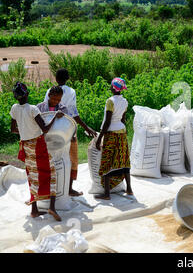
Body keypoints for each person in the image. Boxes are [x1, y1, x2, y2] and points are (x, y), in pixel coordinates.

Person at [10, 82, 63, 221]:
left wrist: (24, 131)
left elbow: (13, 129)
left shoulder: (14, 108)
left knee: (32, 175)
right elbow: (45, 129)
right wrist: (55, 116)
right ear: (27, 94)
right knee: (51, 173)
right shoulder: (33, 109)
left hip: (26, 145)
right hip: (38, 144)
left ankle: (34, 210)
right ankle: (52, 207)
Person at [44, 68, 96, 196]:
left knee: (53, 157)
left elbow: (46, 109)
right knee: (71, 158)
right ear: (67, 79)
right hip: (68, 129)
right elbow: (74, 113)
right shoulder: (71, 91)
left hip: (51, 128)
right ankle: (69, 189)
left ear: (56, 78)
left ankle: (52, 188)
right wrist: (86, 127)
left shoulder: (49, 91)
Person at [94, 77, 133, 200]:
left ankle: (106, 193)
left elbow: (107, 121)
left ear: (113, 88)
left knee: (107, 160)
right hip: (122, 132)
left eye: (111, 86)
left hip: (111, 134)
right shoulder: (125, 101)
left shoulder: (110, 101)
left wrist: (100, 137)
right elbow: (123, 119)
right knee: (124, 159)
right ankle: (129, 188)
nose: (110, 87)